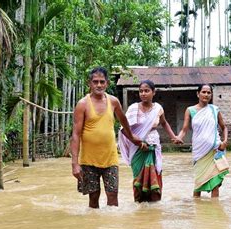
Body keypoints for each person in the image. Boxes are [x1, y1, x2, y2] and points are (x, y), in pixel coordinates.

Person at [71, 67, 141, 209]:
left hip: (110, 158)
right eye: (95, 82)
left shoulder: (113, 102)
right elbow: (76, 134)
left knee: (113, 196)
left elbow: (124, 122)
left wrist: (133, 138)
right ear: (89, 83)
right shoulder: (82, 104)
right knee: (93, 197)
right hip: (88, 160)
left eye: (102, 82)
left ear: (107, 83)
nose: (99, 85)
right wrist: (75, 164)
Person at [118, 80, 182, 203]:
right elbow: (124, 129)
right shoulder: (133, 108)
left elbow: (164, 123)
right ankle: (139, 206)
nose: (143, 93)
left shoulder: (158, 108)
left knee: (156, 178)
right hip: (137, 150)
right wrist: (138, 143)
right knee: (138, 180)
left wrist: (174, 137)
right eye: (141, 91)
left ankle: (154, 209)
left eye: (146, 91)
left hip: (154, 148)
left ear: (153, 92)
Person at [176, 84, 229, 198]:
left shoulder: (215, 110)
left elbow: (224, 127)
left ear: (211, 95)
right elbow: (184, 129)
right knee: (198, 184)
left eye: (208, 92)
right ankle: (197, 210)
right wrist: (179, 137)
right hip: (199, 152)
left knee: (215, 183)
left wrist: (225, 141)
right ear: (198, 94)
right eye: (203, 92)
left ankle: (215, 210)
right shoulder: (190, 110)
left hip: (216, 150)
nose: (206, 94)